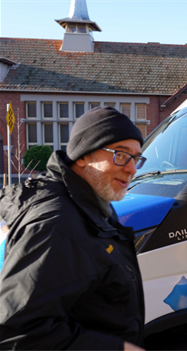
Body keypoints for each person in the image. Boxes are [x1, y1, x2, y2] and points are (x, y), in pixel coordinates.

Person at [0, 107, 146, 351]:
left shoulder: (94, 202)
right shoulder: (57, 224)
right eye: (121, 154)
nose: (132, 169)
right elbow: (17, 330)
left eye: (137, 158)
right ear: (83, 156)